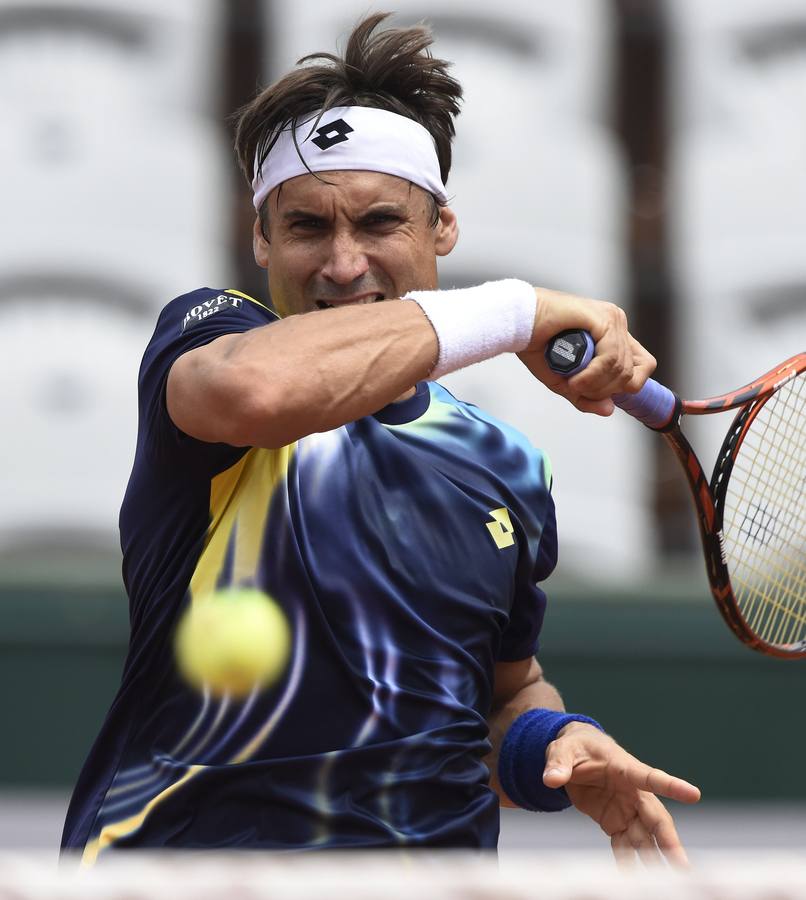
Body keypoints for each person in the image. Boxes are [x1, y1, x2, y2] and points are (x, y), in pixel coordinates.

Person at [61, 13, 699, 864]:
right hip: (185, 878)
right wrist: (517, 311)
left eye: (379, 223)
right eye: (306, 227)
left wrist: (552, 738)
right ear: (259, 237)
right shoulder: (208, 343)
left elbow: (502, 690)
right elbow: (258, 388)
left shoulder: (505, 464)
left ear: (442, 228)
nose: (343, 263)